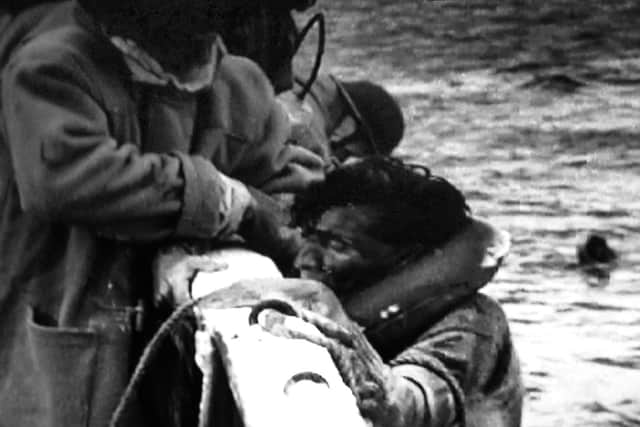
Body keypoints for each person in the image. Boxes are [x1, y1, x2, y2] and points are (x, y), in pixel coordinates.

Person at [0, 0, 325, 426]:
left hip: (160, 347)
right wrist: (220, 198)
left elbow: (299, 200)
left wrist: (235, 220)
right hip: (60, 329)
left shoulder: (237, 86)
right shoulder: (52, 66)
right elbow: (65, 180)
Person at [289, 156, 524, 427]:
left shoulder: (475, 323)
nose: (303, 260)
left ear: (406, 259)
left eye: (338, 246)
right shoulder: (348, 286)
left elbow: (424, 394)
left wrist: (390, 397)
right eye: (309, 237)